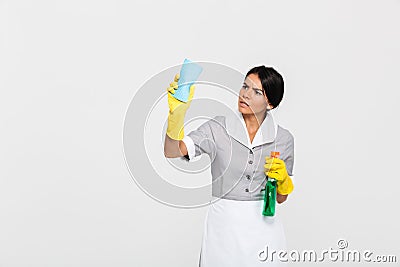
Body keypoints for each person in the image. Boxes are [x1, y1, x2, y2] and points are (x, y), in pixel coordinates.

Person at [164, 65, 295, 267]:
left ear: (270, 103)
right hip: (223, 229)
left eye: (256, 92)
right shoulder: (218, 128)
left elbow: (281, 198)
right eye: (245, 86)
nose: (245, 94)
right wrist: (176, 116)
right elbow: (172, 151)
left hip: (264, 231)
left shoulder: (283, 139)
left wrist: (284, 182)